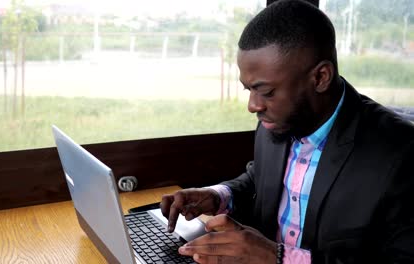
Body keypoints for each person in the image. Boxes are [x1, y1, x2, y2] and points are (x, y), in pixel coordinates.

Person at [160, 0, 414, 263]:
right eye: (249, 90)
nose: (253, 106)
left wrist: (278, 257)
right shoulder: (277, 119)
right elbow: (260, 178)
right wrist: (218, 196)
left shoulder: (401, 153)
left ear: (320, 77)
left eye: (266, 92)